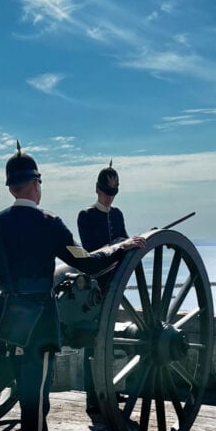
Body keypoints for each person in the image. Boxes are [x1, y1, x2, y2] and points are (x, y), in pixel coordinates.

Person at [0, 143, 144, 431]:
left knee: (26, 388)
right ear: (35, 184)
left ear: (10, 187)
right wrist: (120, 247)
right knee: (37, 393)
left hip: (9, 320)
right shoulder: (49, 222)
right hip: (40, 319)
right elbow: (85, 262)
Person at [77, 160, 131, 414]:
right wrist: (120, 245)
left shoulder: (118, 214)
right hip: (95, 284)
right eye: (107, 193)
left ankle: (112, 391)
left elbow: (125, 243)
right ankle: (92, 397)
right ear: (98, 190)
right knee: (92, 341)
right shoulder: (86, 216)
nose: (109, 198)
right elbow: (91, 251)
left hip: (115, 284)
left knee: (111, 340)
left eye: (113, 193)